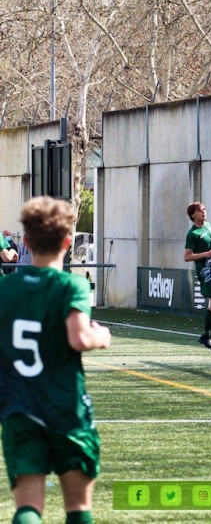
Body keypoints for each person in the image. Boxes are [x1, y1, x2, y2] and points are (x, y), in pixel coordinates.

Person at [0, 196, 111, 524]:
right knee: (78, 507)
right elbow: (79, 337)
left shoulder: (6, 288)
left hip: (18, 407)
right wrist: (102, 335)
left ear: (28, 242)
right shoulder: (71, 285)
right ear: (67, 241)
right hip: (65, 407)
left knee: (28, 507)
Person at [184, 202, 211, 356]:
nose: (203, 212)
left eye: (204, 209)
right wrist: (205, 255)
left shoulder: (208, 226)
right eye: (200, 210)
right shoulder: (193, 234)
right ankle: (206, 335)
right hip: (206, 270)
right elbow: (187, 256)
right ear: (193, 215)